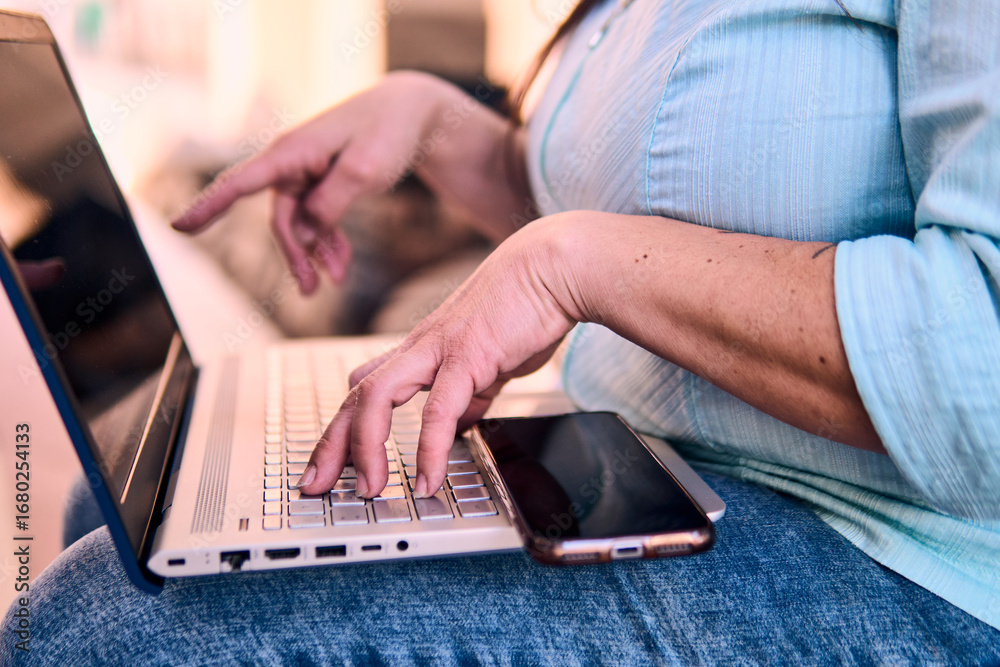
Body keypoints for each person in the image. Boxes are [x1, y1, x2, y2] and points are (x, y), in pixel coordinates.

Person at [5, 0, 1000, 663]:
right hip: (629, 462)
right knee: (132, 511)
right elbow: (646, 193)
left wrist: (571, 261)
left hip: (885, 561)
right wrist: (434, 124)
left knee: (101, 627)